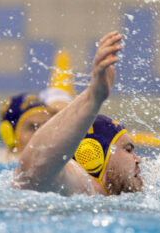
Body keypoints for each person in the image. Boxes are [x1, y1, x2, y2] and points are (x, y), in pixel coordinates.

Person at [13, 32, 142, 195]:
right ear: (93, 154)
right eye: (128, 150)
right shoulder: (83, 188)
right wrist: (93, 97)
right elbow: (32, 170)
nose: (138, 159)